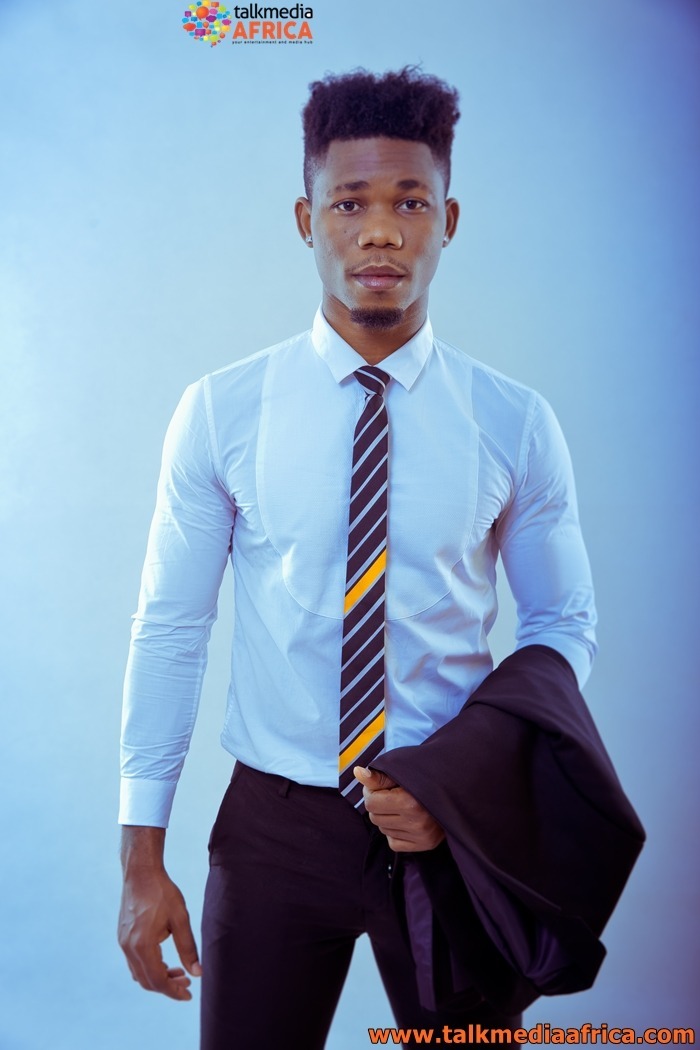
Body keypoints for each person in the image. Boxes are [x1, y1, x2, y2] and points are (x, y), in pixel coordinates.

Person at [117, 68, 597, 1049]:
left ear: (447, 220)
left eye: (409, 203)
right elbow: (170, 628)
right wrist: (140, 855)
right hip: (273, 829)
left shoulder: (513, 422)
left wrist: (465, 783)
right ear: (307, 220)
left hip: (448, 823)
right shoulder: (222, 412)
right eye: (349, 203)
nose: (380, 231)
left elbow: (561, 627)